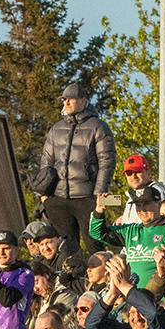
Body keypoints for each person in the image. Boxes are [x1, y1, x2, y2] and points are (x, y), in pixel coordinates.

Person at [37, 82, 117, 256]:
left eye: (70, 99)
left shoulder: (98, 126)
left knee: (94, 245)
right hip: (58, 199)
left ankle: (100, 282)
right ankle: (69, 283)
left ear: (83, 101)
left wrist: (99, 194)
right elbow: (46, 163)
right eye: (64, 100)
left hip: (87, 197)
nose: (66, 103)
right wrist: (45, 197)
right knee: (65, 250)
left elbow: (107, 161)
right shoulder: (56, 129)